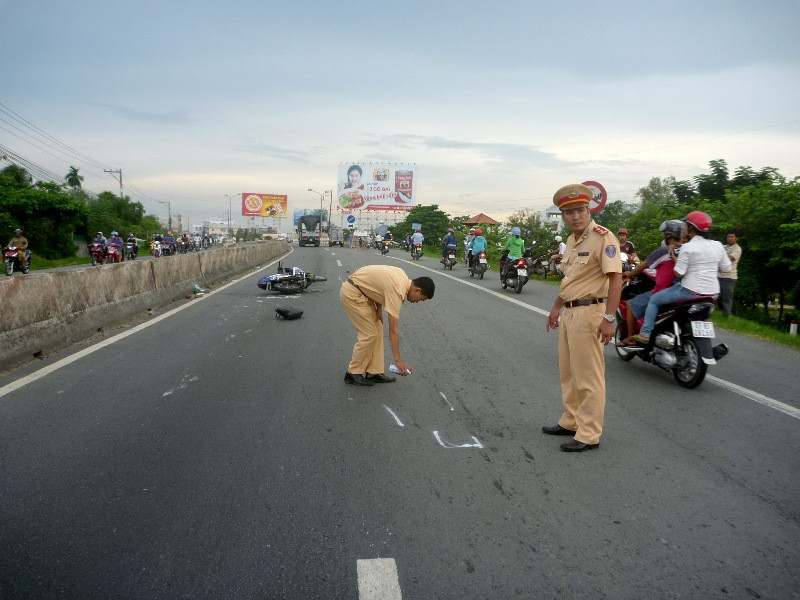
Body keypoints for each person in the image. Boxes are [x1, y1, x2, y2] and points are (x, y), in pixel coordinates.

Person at [543, 183, 622, 452]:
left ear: (589, 210)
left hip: (591, 312)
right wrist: (556, 308)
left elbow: (615, 278)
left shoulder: (603, 237)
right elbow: (570, 279)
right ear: (563, 217)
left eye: (580, 210)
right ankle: (571, 420)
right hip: (570, 311)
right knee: (569, 372)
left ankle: (589, 433)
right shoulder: (571, 241)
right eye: (569, 212)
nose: (575, 216)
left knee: (589, 376)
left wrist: (609, 318)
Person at [631, 212, 731, 345]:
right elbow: (727, 268)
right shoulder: (718, 245)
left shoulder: (688, 247)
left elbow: (679, 273)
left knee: (654, 300)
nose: (684, 228)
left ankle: (645, 334)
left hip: (690, 292)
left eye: (686, 225)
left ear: (691, 228)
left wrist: (674, 258)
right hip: (712, 294)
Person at [340, 265, 435, 386]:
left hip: (363, 293)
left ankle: (373, 372)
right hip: (353, 293)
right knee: (369, 334)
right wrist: (398, 361)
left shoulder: (402, 277)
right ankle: (352, 373)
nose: (417, 302)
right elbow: (393, 330)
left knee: (378, 327)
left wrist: (378, 308)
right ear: (417, 290)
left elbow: (379, 286)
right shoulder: (397, 290)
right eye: (421, 299)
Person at [618, 220, 686, 344]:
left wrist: (630, 274)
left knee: (631, 305)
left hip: (665, 291)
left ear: (668, 235)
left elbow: (643, 265)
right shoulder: (688, 250)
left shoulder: (664, 250)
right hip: (685, 291)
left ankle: (631, 338)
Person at [718, 229, 742, 317]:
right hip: (718, 275)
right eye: (728, 237)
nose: (730, 238)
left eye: (732, 237)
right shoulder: (723, 247)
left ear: (736, 238)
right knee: (714, 295)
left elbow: (729, 258)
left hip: (729, 276)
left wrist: (719, 256)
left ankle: (726, 315)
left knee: (726, 297)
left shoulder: (737, 248)